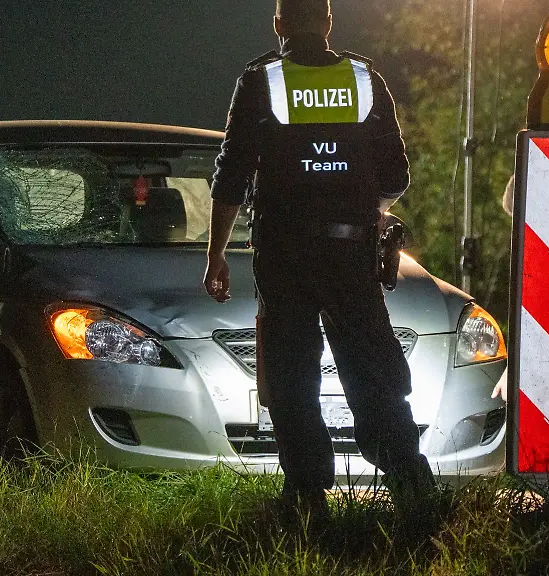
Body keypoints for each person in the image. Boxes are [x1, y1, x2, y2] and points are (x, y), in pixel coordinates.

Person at [203, 0, 436, 528]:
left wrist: (216, 255)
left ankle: (307, 498)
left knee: (291, 373)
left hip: (284, 256)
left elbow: (231, 175)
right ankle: (410, 486)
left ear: (279, 24)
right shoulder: (365, 78)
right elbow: (396, 175)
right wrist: (368, 208)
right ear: (329, 22)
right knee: (372, 366)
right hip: (351, 254)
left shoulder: (260, 80)